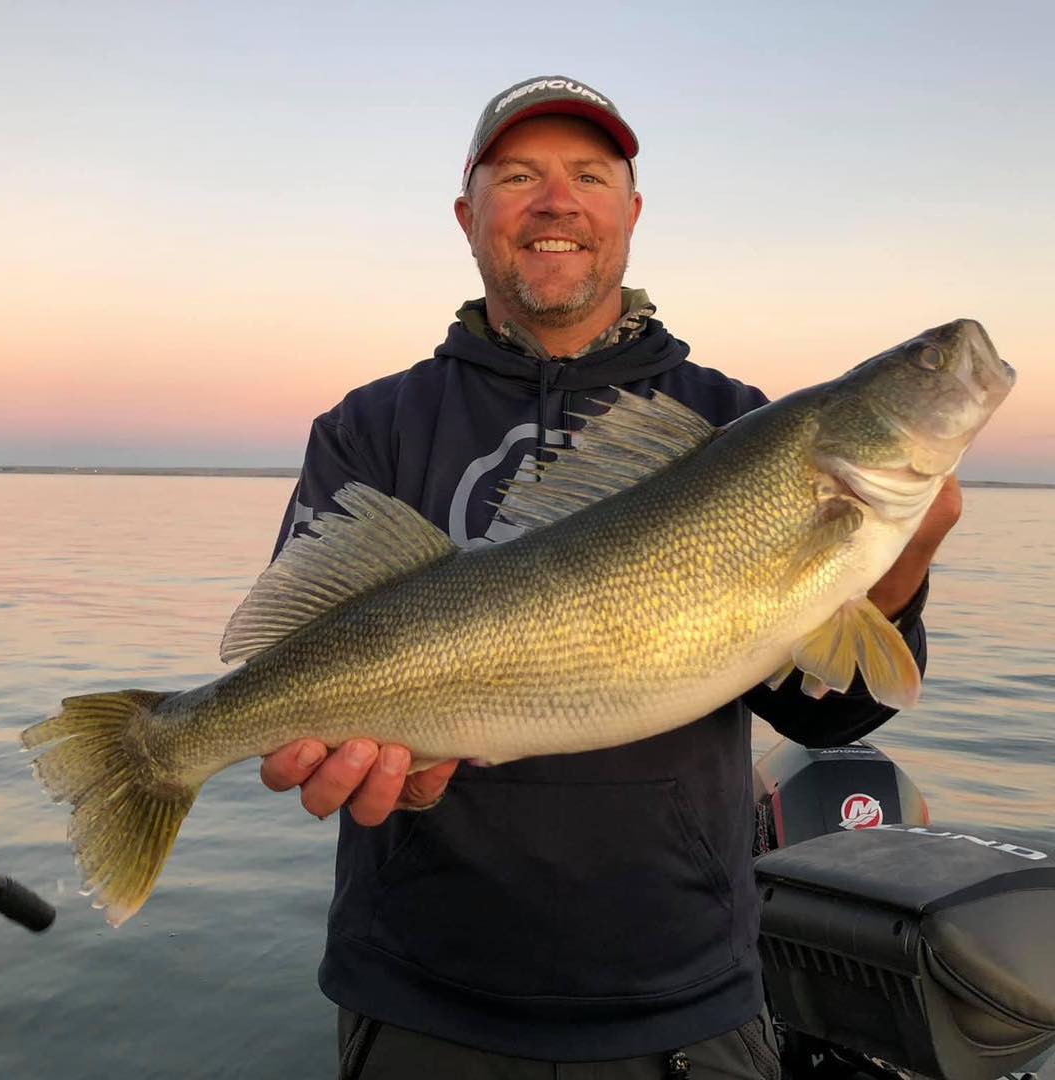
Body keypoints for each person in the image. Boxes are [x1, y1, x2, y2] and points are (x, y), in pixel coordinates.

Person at [260, 76, 961, 1079]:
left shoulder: (737, 426)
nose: (558, 202)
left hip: (685, 1000)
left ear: (632, 213)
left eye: (590, 177)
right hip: (419, 994)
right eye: (519, 176)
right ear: (467, 216)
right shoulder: (370, 428)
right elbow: (294, 654)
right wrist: (335, 748)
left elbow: (827, 721)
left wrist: (900, 570)